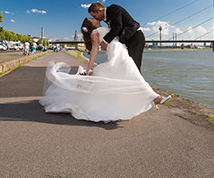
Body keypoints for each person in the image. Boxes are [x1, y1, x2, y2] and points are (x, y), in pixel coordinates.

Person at [39, 17, 171, 123]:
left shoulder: (106, 27)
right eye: (92, 18)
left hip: (121, 51)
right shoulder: (95, 32)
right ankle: (154, 98)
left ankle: (151, 98)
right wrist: (89, 68)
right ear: (91, 23)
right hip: (116, 53)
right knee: (131, 74)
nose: (95, 18)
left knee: (130, 75)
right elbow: (95, 49)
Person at [88, 2, 145, 72]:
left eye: (94, 16)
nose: (95, 18)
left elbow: (118, 26)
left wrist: (105, 41)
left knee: (134, 65)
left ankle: (137, 82)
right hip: (126, 39)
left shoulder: (113, 9)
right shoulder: (107, 17)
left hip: (135, 36)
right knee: (127, 64)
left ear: (100, 10)